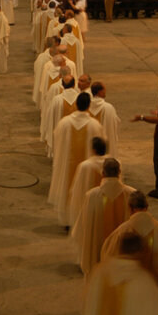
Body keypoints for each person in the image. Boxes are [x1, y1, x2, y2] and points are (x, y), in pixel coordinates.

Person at [49, 94, 104, 227]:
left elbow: (56, 140)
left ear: (76, 105)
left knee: (67, 189)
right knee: (84, 189)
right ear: (89, 106)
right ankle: (83, 220)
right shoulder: (94, 125)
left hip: (67, 166)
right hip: (87, 171)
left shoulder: (64, 123)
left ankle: (67, 220)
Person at [72, 158, 133, 276]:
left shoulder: (92, 196)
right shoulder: (131, 194)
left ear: (103, 173)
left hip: (98, 255)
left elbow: (81, 228)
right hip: (123, 256)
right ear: (119, 172)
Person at [100, 191, 158, 282]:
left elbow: (108, 258)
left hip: (128, 285)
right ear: (147, 207)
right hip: (155, 284)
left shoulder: (122, 231)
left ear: (130, 208)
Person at [69, 137, 110, 224]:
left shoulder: (85, 166)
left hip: (90, 205)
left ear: (93, 150)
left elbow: (77, 189)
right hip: (108, 203)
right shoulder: (114, 163)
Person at [88, 82, 121, 158]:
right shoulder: (108, 107)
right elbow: (115, 123)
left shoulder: (87, 106)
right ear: (100, 92)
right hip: (105, 143)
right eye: (104, 90)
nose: (105, 92)